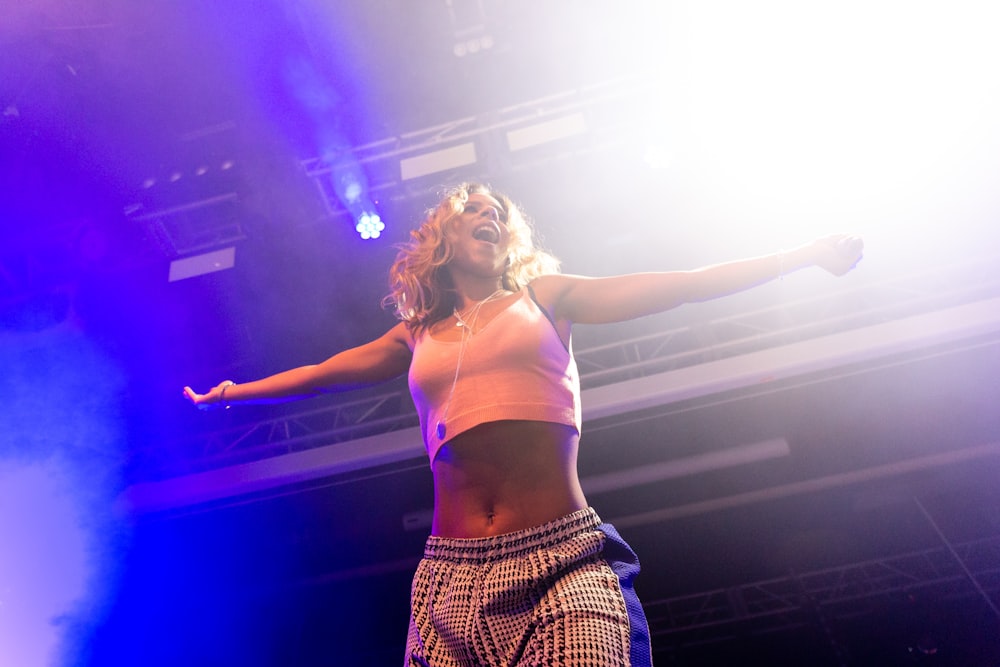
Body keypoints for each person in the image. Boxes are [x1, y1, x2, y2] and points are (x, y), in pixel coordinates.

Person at [184, 182, 863, 666]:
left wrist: (799, 255)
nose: (492, 218)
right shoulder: (416, 332)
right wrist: (237, 391)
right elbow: (331, 369)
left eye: (500, 215)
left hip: (560, 561)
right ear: (444, 237)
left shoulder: (545, 297)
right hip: (448, 579)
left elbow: (679, 283)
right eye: (476, 210)